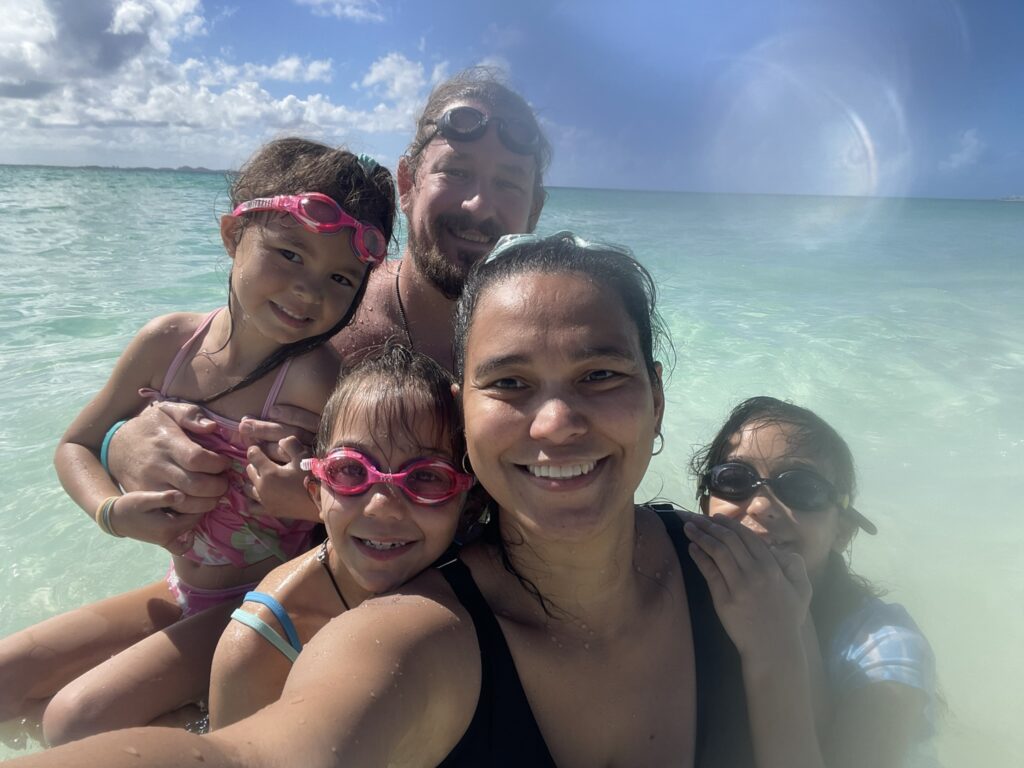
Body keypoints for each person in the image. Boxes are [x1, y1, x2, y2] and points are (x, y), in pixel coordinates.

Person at [2, 232, 828, 768]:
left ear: (654, 396)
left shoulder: (732, 577)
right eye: (507, 383)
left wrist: (782, 652)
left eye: (600, 375)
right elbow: (265, 756)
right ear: (464, 418)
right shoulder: (419, 635)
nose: (556, 423)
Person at [0, 137, 397, 744]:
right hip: (183, 587)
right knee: (7, 678)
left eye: (340, 277)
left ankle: (213, 724)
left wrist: (309, 495)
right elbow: (75, 445)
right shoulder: (169, 344)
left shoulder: (317, 382)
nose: (308, 291)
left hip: (270, 601)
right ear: (232, 236)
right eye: (289, 254)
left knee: (76, 718)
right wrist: (112, 512)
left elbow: (375, 503)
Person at [100, 67, 552, 528]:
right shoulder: (325, 316)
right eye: (455, 171)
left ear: (535, 208)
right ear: (407, 182)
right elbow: (209, 391)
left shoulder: (552, 347)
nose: (478, 204)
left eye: (510, 183)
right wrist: (118, 443)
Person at [208, 343, 482, 728]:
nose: (381, 507)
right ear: (316, 494)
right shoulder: (261, 646)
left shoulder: (486, 571)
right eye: (351, 470)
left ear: (467, 504)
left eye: (426, 476)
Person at [688, 396, 937, 768]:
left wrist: (781, 638)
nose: (759, 506)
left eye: (802, 488)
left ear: (843, 532)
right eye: (734, 479)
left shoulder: (884, 645)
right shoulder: (676, 596)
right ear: (706, 503)